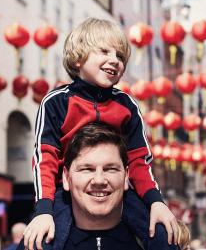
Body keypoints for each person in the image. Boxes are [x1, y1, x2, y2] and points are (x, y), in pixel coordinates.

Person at [25, 18, 176, 250]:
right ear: (77, 59)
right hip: (63, 192)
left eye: (120, 56)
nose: (114, 60)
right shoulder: (56, 102)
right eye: (104, 51)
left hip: (119, 190)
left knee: (161, 234)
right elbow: (44, 159)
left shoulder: (127, 105)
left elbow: (139, 160)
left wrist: (156, 201)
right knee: (46, 240)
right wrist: (43, 209)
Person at [18, 122, 179, 250]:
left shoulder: (159, 241)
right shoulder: (36, 244)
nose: (99, 180)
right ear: (66, 178)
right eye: (87, 169)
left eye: (110, 169)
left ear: (126, 177)